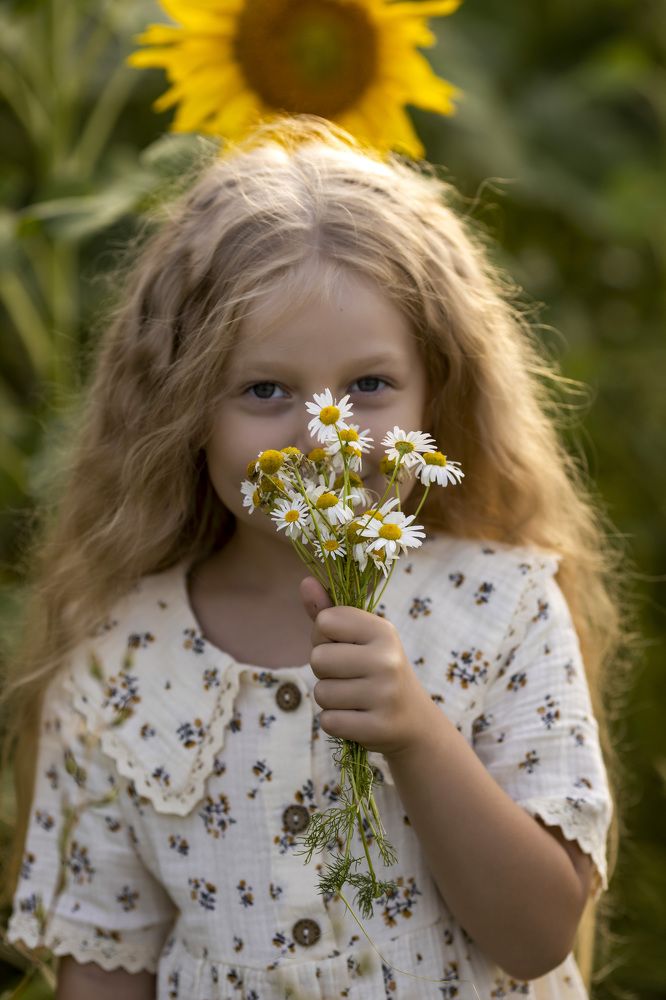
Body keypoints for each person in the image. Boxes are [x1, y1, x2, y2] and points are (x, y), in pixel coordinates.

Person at [1, 115, 625, 1000]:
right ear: (183, 412)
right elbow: (106, 967)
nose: (321, 436)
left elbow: (535, 934)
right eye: (265, 391)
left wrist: (414, 729)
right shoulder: (116, 656)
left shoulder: (502, 609)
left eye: (369, 386)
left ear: (435, 389)